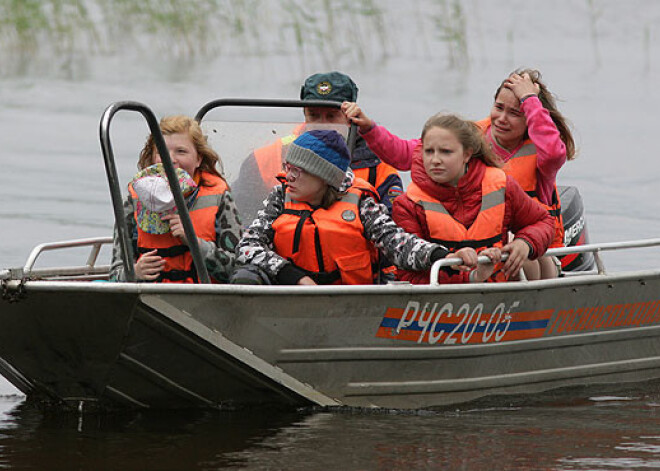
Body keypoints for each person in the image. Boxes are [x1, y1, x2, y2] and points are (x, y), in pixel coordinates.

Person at [342, 68, 575, 279]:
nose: (503, 119)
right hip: (478, 251)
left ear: (532, 117)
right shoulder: (467, 139)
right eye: (499, 108)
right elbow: (404, 152)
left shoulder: (543, 150)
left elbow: (555, 153)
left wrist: (530, 100)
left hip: (535, 249)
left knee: (516, 245)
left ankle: (529, 314)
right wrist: (369, 128)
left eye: (516, 113)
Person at [230, 129, 477, 286]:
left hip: (349, 302)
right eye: (288, 167)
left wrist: (441, 255)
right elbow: (248, 246)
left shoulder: (361, 203)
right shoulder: (280, 196)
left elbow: (396, 243)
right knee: (246, 275)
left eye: (298, 171)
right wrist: (292, 276)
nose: (288, 176)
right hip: (292, 296)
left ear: (324, 177)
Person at [392, 113, 555, 284]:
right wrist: (471, 277)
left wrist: (525, 243)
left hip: (500, 297)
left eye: (446, 152)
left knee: (530, 262)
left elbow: (543, 221)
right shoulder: (408, 204)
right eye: (429, 151)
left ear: (467, 154)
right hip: (438, 303)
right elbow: (407, 272)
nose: (435, 160)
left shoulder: (501, 185)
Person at [232, 71, 403, 222]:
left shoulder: (378, 168)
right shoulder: (264, 161)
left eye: (331, 116)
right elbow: (240, 218)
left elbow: (392, 231)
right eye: (314, 115)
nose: (322, 125)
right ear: (304, 115)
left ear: (350, 119)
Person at [109, 115, 242, 283]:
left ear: (199, 158)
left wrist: (194, 242)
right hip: (150, 301)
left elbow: (237, 270)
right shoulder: (133, 201)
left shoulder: (219, 198)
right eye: (162, 152)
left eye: (181, 151)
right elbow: (115, 274)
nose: (170, 159)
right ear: (152, 158)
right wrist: (133, 273)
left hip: (204, 301)